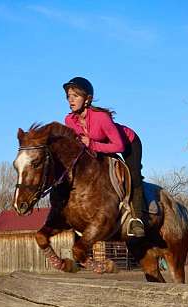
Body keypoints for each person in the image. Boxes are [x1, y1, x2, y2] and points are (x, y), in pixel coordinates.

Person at [62, 76, 146, 237]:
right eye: (68, 96)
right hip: (101, 146)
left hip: (128, 142)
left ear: (87, 99)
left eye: (75, 96)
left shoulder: (101, 118)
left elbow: (119, 146)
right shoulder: (69, 120)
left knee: (133, 174)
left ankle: (137, 220)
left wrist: (91, 144)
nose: (70, 100)